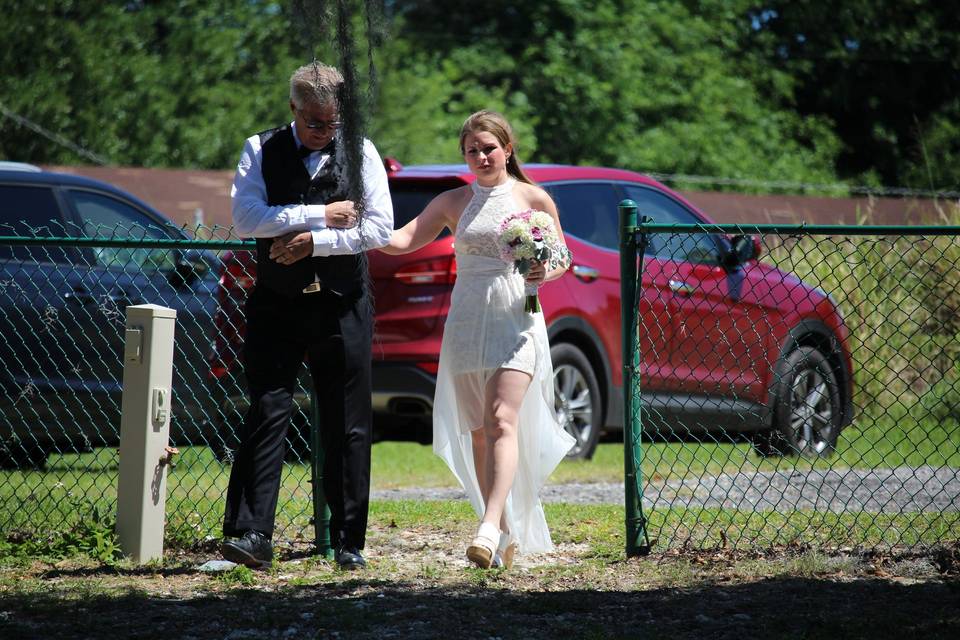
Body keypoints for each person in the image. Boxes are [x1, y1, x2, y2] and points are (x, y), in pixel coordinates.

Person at [380, 110, 575, 568]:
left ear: (507, 149)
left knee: (501, 419)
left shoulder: (534, 198)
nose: (482, 156)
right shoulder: (453, 201)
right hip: (467, 319)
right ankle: (504, 530)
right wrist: (361, 232)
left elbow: (563, 255)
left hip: (516, 318)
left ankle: (486, 528)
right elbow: (406, 238)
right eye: (472, 150)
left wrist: (544, 270)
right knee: (478, 432)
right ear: (464, 155)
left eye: (489, 147)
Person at [220, 61, 393, 571]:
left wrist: (313, 243)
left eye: (333, 121)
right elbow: (247, 217)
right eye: (314, 121)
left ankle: (348, 540)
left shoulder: (360, 150)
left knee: (348, 421)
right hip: (277, 304)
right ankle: (251, 534)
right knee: (267, 409)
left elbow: (379, 228)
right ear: (293, 108)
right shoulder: (260, 148)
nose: (324, 131)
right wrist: (320, 214)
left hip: (342, 303)